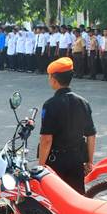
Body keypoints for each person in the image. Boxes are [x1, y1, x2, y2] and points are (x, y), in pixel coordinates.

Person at [38, 57, 96, 194]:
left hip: (56, 161)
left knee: (55, 199)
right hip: (77, 159)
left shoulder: (50, 104)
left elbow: (46, 139)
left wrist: (41, 165)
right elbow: (91, 135)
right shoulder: (83, 102)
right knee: (76, 198)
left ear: (53, 79)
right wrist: (89, 161)